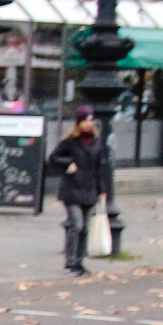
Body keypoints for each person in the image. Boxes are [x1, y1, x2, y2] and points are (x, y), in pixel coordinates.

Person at [46, 108, 104, 276]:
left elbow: (100, 167)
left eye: (90, 120)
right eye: (85, 121)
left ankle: (80, 261)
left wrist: (102, 190)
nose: (88, 124)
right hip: (72, 189)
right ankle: (70, 262)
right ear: (79, 123)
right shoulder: (70, 141)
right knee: (76, 224)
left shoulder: (97, 141)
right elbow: (53, 158)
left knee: (85, 227)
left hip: (90, 189)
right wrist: (68, 163)